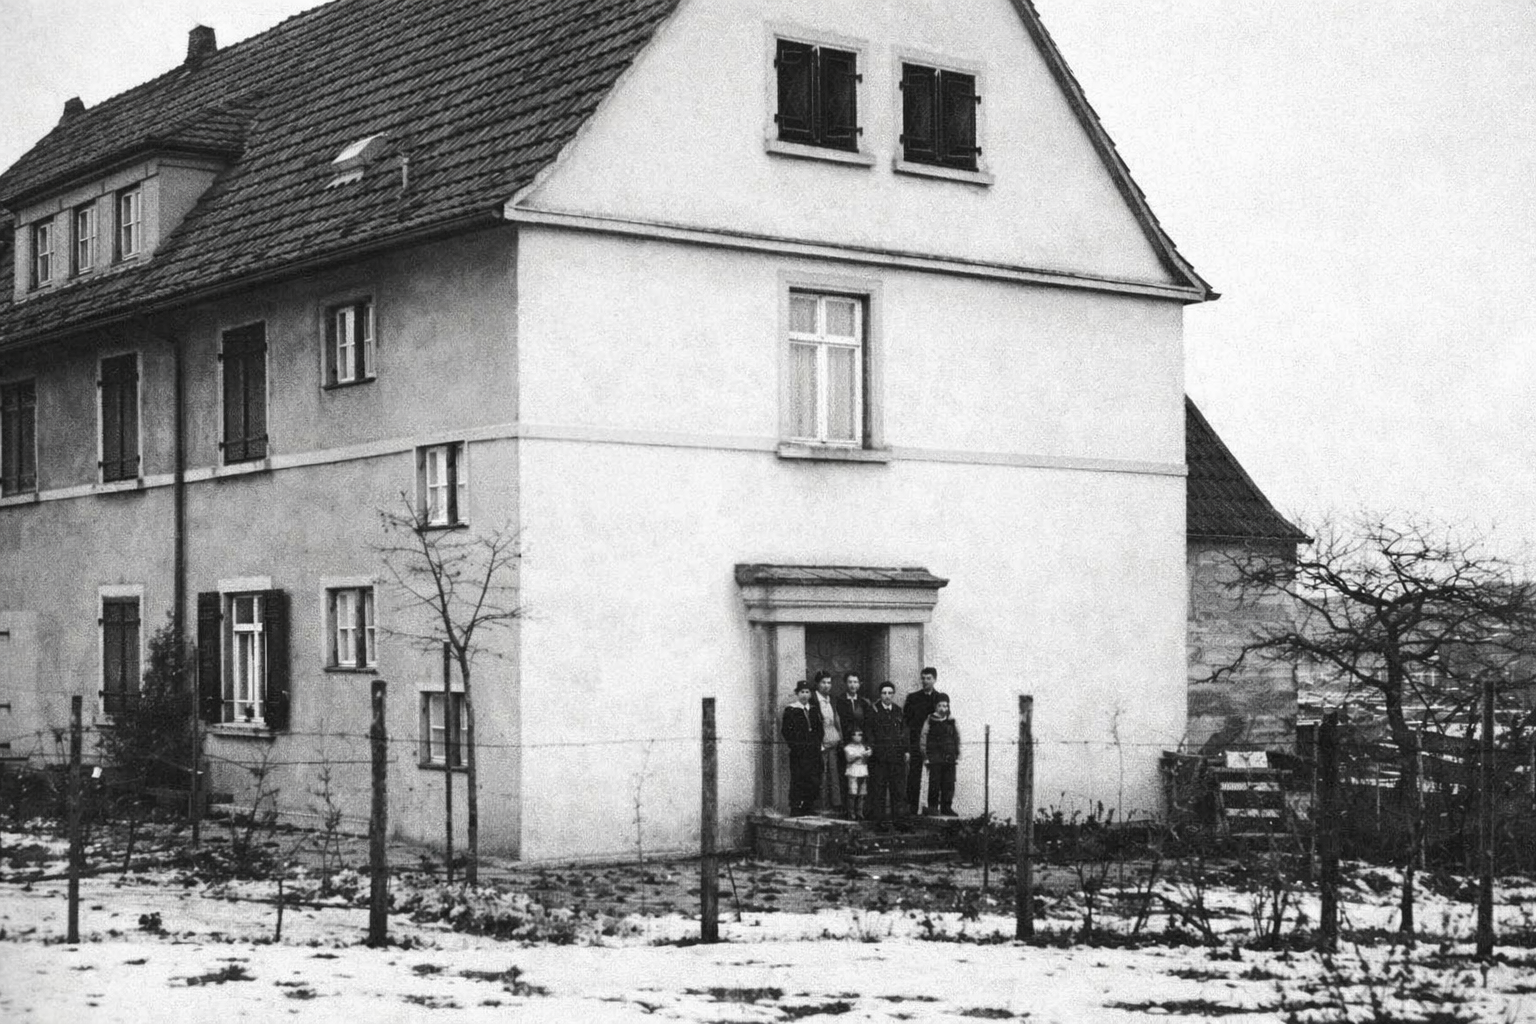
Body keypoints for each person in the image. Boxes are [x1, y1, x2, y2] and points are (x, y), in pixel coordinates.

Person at [903, 667, 949, 814]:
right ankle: (912, 807)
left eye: (928, 678)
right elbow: (907, 722)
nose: (925, 681)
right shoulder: (913, 698)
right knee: (914, 775)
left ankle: (932, 807)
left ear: (935, 679)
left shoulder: (940, 698)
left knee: (935, 776)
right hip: (917, 742)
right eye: (923, 678)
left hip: (935, 745)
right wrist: (909, 745)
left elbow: (945, 720)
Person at [865, 681, 909, 830]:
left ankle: (899, 820)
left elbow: (904, 732)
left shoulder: (898, 710)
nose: (887, 696)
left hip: (896, 757)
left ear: (893, 694)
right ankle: (880, 822)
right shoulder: (874, 710)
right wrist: (870, 747)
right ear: (880, 695)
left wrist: (906, 750)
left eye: (890, 693)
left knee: (898, 790)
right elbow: (869, 731)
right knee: (879, 790)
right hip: (880, 757)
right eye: (884, 693)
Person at [780, 680, 820, 815]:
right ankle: (796, 808)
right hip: (799, 752)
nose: (804, 695)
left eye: (807, 692)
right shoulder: (791, 710)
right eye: (802, 692)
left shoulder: (814, 710)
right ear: (797, 693)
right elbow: (786, 731)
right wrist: (795, 746)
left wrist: (816, 744)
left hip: (813, 752)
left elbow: (819, 730)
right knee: (798, 778)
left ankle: (809, 806)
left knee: (812, 779)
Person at [918, 698, 960, 816]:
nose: (943, 708)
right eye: (940, 706)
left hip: (949, 757)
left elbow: (957, 737)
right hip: (935, 757)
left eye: (945, 706)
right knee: (934, 783)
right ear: (936, 707)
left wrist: (956, 753)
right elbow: (923, 737)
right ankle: (933, 807)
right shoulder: (930, 720)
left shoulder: (951, 721)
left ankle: (946, 807)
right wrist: (925, 755)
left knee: (949, 783)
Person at [833, 672, 868, 807]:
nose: (853, 685)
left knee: (861, 776)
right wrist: (842, 741)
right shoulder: (840, 701)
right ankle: (846, 808)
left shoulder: (864, 702)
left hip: (860, 743)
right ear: (845, 684)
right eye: (850, 682)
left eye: (855, 682)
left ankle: (860, 809)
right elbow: (837, 722)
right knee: (846, 775)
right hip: (845, 743)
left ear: (859, 684)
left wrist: (866, 743)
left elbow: (866, 723)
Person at [811, 671, 843, 814]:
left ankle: (834, 805)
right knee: (821, 774)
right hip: (820, 743)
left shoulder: (832, 700)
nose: (826, 686)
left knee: (833, 774)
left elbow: (837, 720)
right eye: (823, 682)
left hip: (833, 741)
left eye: (829, 683)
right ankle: (821, 806)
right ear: (817, 684)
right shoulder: (812, 700)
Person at [843, 729, 871, 821]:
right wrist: (860, 755)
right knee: (853, 793)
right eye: (855, 734)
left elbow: (867, 756)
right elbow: (849, 759)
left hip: (863, 770)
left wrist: (867, 753)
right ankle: (851, 813)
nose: (857, 736)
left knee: (862, 793)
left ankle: (860, 812)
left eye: (860, 734)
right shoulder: (848, 748)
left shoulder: (864, 747)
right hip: (853, 770)